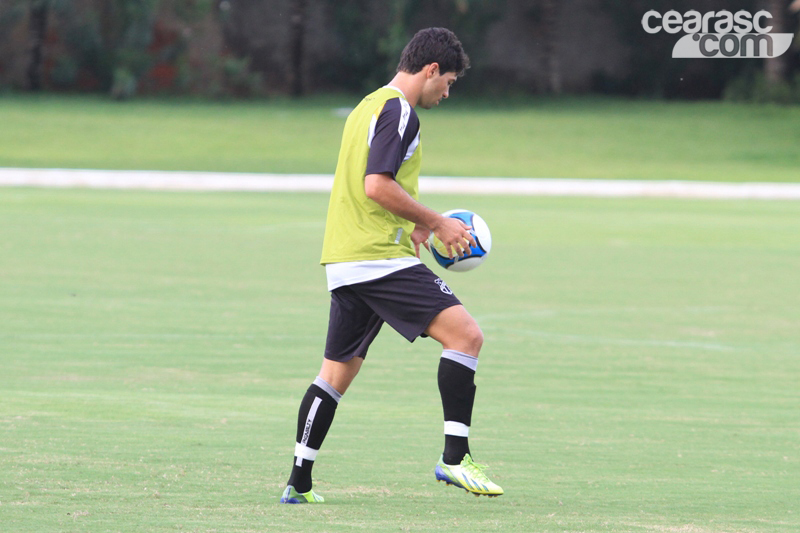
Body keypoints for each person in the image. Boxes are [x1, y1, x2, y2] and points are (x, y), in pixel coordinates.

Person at [279, 27, 503, 504]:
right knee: (467, 336)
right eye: (450, 82)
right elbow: (376, 185)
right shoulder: (401, 111)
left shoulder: (367, 106)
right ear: (431, 70)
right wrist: (437, 221)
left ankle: (298, 482)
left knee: (334, 375)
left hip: (345, 259)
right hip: (377, 259)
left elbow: (377, 187)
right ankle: (455, 458)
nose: (448, 92)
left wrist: (414, 225)